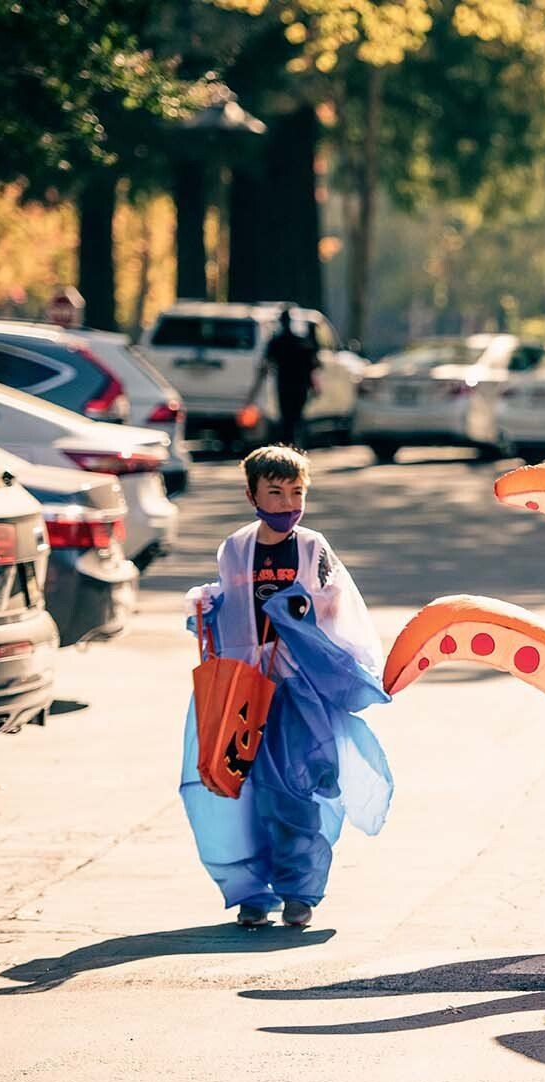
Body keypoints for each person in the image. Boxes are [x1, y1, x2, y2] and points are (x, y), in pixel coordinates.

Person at [181, 445, 393, 928]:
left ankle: (299, 889)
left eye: (296, 493)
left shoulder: (313, 547)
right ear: (251, 493)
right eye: (274, 493)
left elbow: (336, 609)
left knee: (295, 788)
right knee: (241, 786)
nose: (286, 504)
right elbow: (231, 605)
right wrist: (206, 610)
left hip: (298, 687)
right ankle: (253, 891)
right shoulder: (235, 547)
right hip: (242, 688)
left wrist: (305, 611)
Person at [253, 308, 320, 447]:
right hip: (298, 385)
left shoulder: (278, 342)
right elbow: (312, 366)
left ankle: (289, 443)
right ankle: (293, 444)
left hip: (286, 384)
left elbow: (265, 366)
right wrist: (314, 386)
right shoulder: (300, 342)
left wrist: (255, 389)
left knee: (287, 417)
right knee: (295, 417)